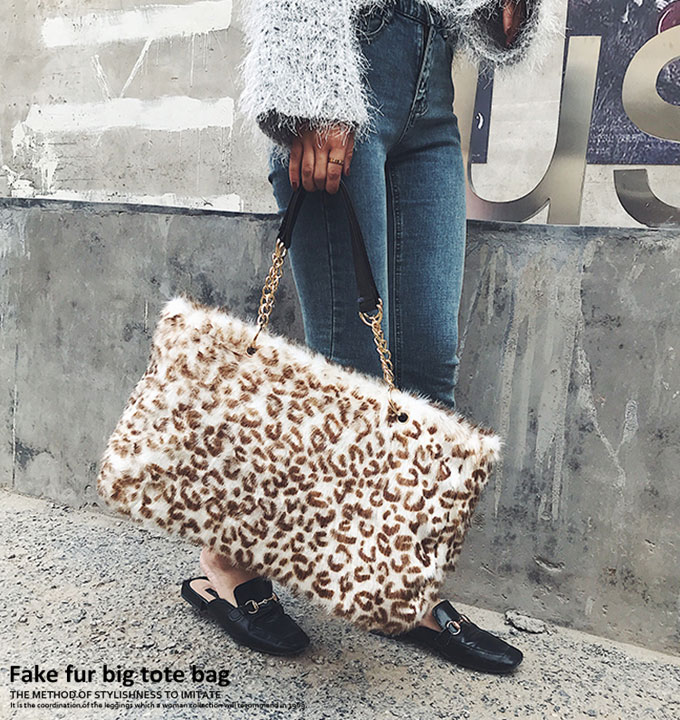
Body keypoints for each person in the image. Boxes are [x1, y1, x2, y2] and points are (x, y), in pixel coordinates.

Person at [182, 0, 558, 673]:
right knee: (350, 378)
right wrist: (312, 92)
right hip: (347, 65)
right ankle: (226, 560)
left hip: (431, 87)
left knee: (427, 367)